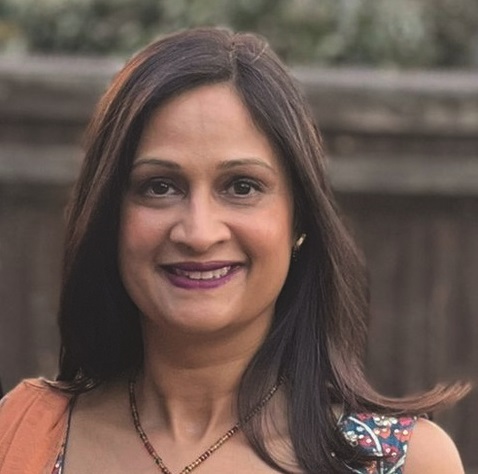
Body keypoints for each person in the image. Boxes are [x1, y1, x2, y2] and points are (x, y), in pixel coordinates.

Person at [0, 27, 470, 474]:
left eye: (242, 186)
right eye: (160, 186)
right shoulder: (23, 434)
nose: (199, 233)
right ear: (109, 216)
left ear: (299, 218)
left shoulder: (398, 462)